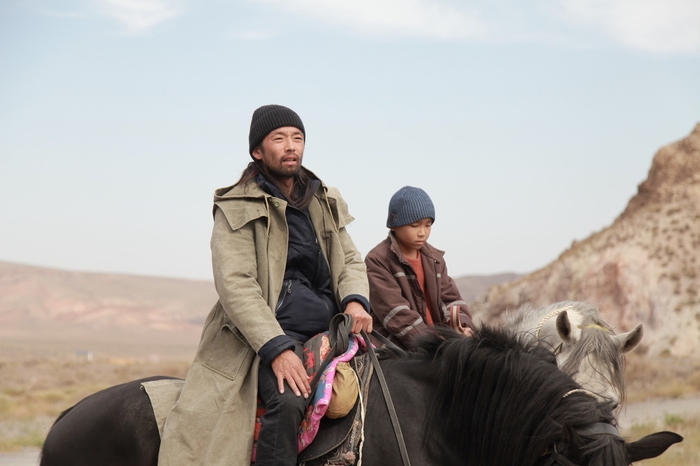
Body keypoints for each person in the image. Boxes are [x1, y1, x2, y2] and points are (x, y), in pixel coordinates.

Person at [158, 105, 372, 466]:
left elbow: (350, 259)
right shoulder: (238, 205)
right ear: (258, 151)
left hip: (328, 330)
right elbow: (235, 283)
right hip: (262, 337)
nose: (291, 146)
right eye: (279, 138)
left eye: (297, 138)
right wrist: (277, 349)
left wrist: (355, 302)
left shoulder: (323, 200)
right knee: (289, 399)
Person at [365, 186, 474, 350]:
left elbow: (451, 300)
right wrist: (431, 343)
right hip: (397, 346)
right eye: (415, 226)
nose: (422, 232)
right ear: (394, 225)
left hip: (439, 343)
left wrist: (463, 327)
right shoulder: (378, 259)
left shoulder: (434, 259)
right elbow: (395, 313)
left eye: (428, 225)